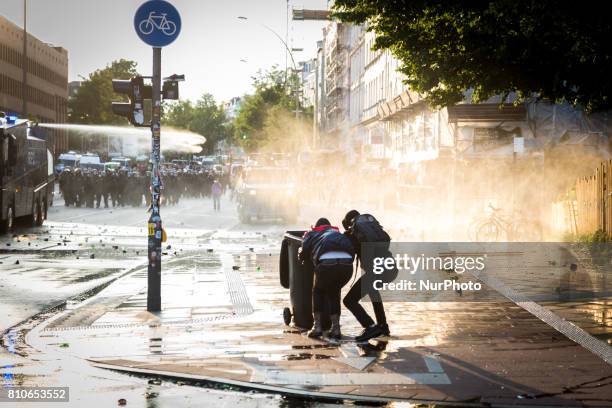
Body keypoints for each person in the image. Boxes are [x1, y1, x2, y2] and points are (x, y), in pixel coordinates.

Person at [299, 218, 355, 340]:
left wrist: (301, 256)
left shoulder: (312, 233)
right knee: (334, 293)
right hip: (347, 267)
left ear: (317, 226)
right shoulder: (337, 233)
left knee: (318, 291)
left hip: (326, 265)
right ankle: (336, 329)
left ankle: (317, 327)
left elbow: (303, 252)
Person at [342, 210, 393, 342]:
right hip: (390, 268)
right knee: (373, 291)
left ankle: (370, 326)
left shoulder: (353, 234)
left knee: (349, 300)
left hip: (376, 271)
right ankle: (382, 325)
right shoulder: (372, 229)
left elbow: (345, 252)